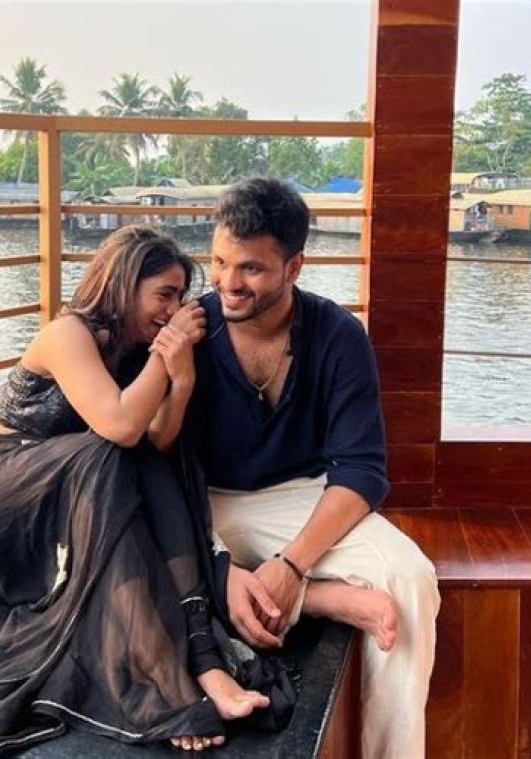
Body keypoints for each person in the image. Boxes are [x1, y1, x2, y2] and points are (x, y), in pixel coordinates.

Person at [0, 225, 278, 756]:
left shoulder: (134, 350)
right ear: (124, 283)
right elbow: (119, 426)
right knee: (111, 449)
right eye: (163, 295)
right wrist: (166, 355)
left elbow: (157, 443)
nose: (172, 311)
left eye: (179, 298)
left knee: (145, 459)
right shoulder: (67, 334)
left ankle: (202, 656)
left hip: (57, 513)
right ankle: (163, 678)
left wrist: (182, 379)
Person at [189, 178, 441, 758]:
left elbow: (362, 470)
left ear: (294, 266)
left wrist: (291, 565)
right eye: (220, 262)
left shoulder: (337, 335)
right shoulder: (191, 331)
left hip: (298, 498)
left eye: (251, 268)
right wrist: (221, 566)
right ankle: (322, 598)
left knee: (410, 580)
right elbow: (150, 464)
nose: (228, 282)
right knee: (128, 548)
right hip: (199, 501)